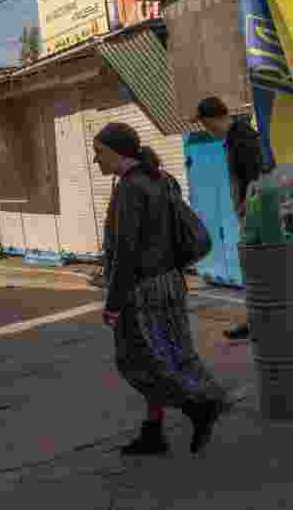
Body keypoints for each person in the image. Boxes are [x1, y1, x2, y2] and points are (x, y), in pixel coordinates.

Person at [94, 122, 226, 456]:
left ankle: (198, 406)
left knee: (137, 361)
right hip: (170, 282)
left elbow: (126, 251)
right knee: (170, 352)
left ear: (116, 152)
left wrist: (113, 302)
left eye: (99, 152)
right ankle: (153, 429)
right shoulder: (160, 178)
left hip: (142, 289)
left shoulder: (130, 188)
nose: (96, 160)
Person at [194, 96, 267, 340]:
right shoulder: (235, 137)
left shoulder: (242, 138)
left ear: (214, 118)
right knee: (254, 270)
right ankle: (257, 319)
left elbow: (256, 178)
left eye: (205, 123)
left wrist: (247, 209)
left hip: (255, 215)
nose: (206, 129)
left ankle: (259, 321)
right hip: (249, 213)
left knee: (257, 270)